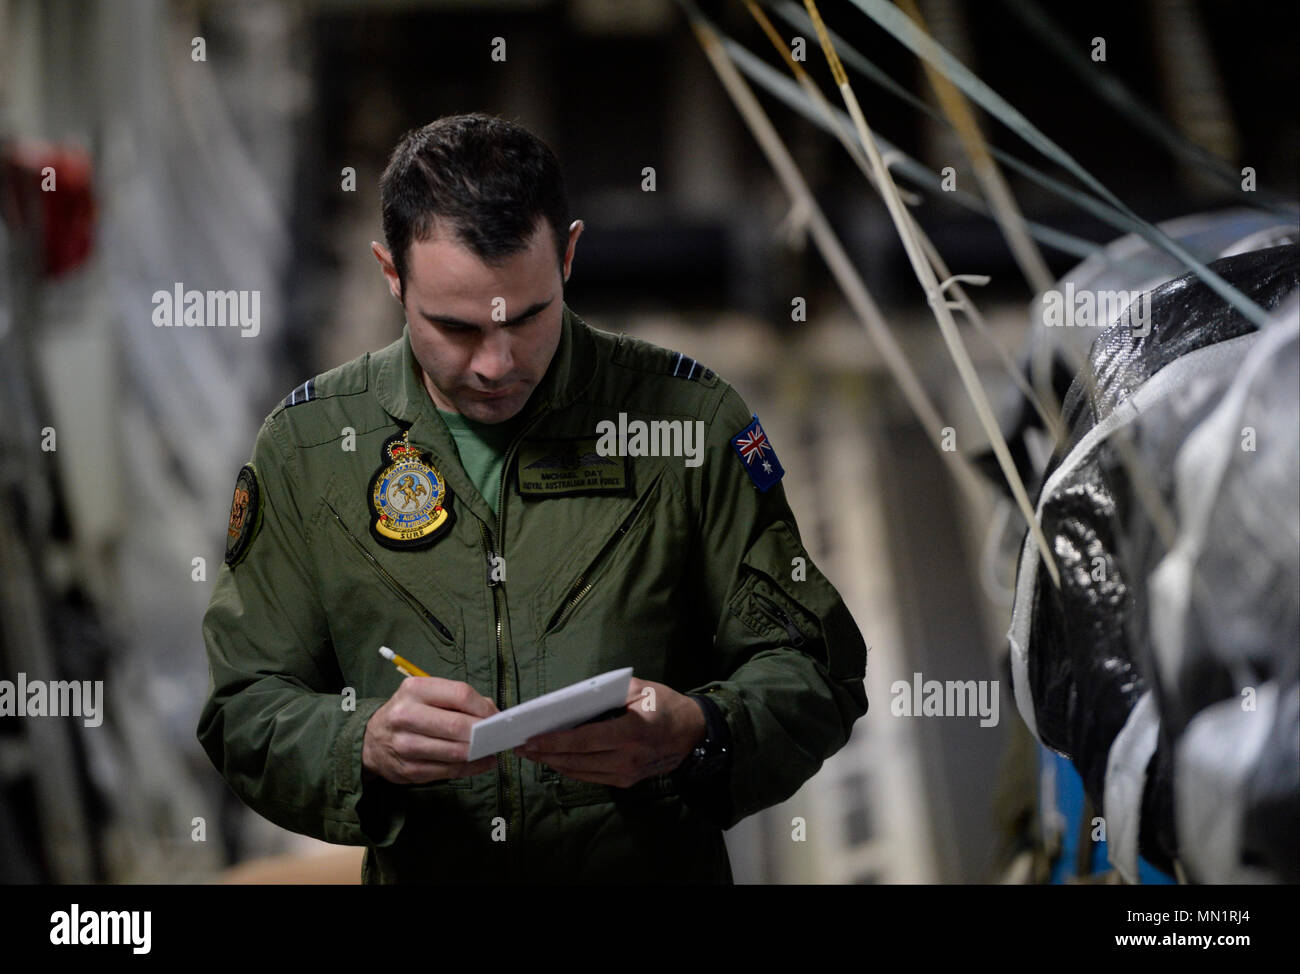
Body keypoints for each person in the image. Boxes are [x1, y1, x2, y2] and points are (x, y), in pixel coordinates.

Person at [197, 112, 869, 883]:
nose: (496, 363)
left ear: (571, 255)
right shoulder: (311, 448)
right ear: (391, 275)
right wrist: (363, 744)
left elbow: (816, 668)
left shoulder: (687, 423)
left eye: (527, 317)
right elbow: (243, 706)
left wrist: (700, 730)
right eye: (454, 328)